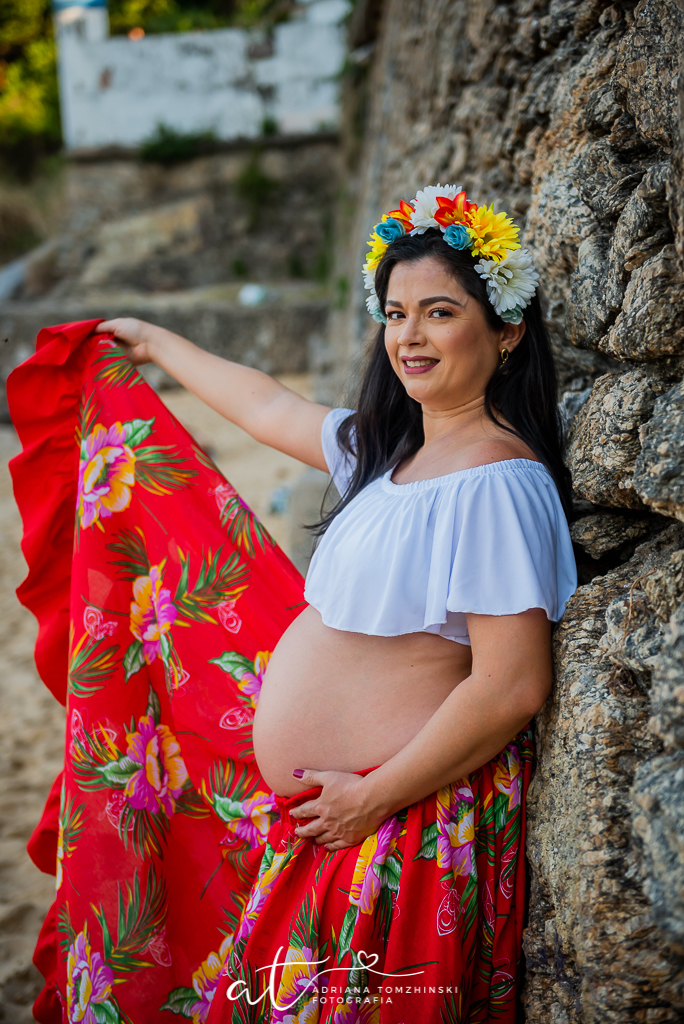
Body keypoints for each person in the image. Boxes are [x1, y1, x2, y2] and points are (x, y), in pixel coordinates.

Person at [11, 184, 576, 1023]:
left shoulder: (496, 485)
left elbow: (510, 685)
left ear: (508, 329)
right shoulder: (389, 458)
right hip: (341, 820)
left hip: (399, 821)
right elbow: (268, 404)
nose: (409, 337)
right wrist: (155, 342)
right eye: (394, 314)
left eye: (440, 312)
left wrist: (371, 800)